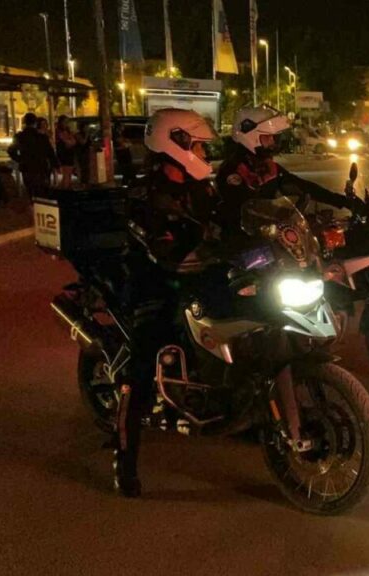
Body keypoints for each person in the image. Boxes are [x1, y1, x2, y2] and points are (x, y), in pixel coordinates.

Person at [113, 109, 220, 497]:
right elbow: (160, 245)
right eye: (199, 146)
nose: (204, 154)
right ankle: (125, 460)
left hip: (196, 278)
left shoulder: (200, 187)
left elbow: (229, 220)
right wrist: (178, 244)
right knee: (143, 362)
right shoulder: (144, 195)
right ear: (176, 144)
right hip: (152, 284)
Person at [217, 106, 362, 237]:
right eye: (268, 137)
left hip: (268, 240)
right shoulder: (232, 171)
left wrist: (344, 202)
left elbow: (301, 185)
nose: (272, 142)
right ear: (251, 136)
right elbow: (243, 211)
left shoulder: (266, 166)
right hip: (243, 244)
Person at [7, 112, 58, 199]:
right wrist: (55, 165)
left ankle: (32, 203)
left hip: (27, 167)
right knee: (43, 192)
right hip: (41, 167)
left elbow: (11, 150)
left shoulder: (20, 136)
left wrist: (20, 159)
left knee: (30, 190)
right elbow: (50, 153)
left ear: (24, 122)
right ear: (35, 123)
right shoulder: (42, 137)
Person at [54, 115, 76, 189]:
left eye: (67, 122)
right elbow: (66, 142)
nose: (66, 123)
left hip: (70, 154)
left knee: (69, 174)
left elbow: (73, 141)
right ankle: (65, 189)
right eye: (65, 122)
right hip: (64, 154)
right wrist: (69, 141)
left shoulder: (68, 130)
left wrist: (70, 141)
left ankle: (66, 188)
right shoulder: (58, 131)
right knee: (66, 174)